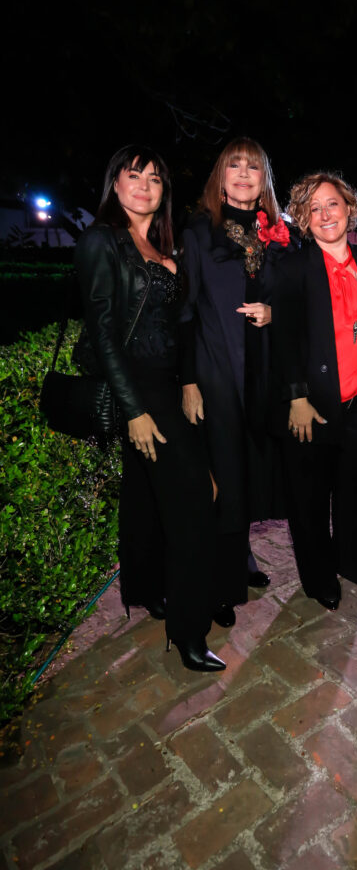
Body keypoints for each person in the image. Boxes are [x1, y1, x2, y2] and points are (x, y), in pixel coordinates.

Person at [74, 145, 225, 673]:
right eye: (133, 175)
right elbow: (103, 334)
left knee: (145, 496)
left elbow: (179, 326)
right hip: (137, 389)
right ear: (114, 183)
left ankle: (147, 589)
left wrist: (189, 381)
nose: (144, 185)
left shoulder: (164, 245)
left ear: (164, 192)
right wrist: (134, 409)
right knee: (196, 499)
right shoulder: (101, 241)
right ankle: (188, 630)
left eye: (155, 178)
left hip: (166, 385)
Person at [180, 137, 293, 622]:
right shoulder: (199, 231)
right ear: (220, 177)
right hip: (217, 370)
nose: (244, 174)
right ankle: (220, 585)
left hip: (262, 373)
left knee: (247, 472)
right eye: (235, 166)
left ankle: (241, 556)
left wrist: (274, 312)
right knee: (223, 476)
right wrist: (188, 382)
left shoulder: (278, 235)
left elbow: (296, 298)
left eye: (253, 167)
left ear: (264, 179)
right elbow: (184, 311)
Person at [272, 172, 357, 611]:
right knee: (310, 498)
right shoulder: (292, 268)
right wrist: (296, 397)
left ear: (349, 208)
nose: (324, 214)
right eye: (313, 208)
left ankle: (354, 561)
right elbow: (284, 339)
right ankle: (319, 577)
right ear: (303, 219)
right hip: (312, 403)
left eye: (332, 204)